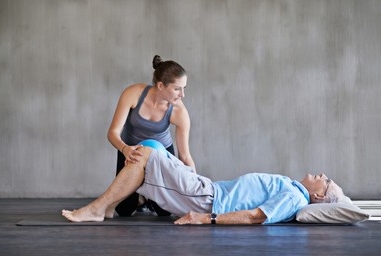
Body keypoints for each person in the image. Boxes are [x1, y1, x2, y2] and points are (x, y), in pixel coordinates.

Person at [62, 142, 345, 225]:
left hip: (207, 199)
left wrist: (206, 218)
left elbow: (256, 217)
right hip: (208, 189)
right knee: (148, 149)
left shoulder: (296, 198)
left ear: (319, 197)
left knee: (146, 154)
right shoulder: (294, 188)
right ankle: (107, 207)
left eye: (326, 181)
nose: (322, 174)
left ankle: (97, 208)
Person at [107, 55, 196, 216]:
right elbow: (113, 133)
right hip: (131, 151)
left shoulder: (179, 112)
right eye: (177, 88)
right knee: (124, 210)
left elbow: (185, 155)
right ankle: (140, 197)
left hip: (160, 154)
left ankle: (148, 197)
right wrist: (125, 149)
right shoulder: (133, 93)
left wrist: (195, 189)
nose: (182, 94)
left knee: (164, 212)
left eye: (184, 88)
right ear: (161, 85)